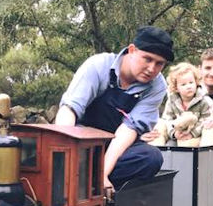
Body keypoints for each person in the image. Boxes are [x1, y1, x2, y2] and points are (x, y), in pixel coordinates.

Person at [56, 26, 171, 193]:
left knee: (151, 158)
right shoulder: (98, 65)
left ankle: (97, 188)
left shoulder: (157, 86)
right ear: (132, 50)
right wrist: (64, 154)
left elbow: (128, 130)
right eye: (147, 59)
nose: (152, 69)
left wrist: (103, 174)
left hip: (116, 147)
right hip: (82, 143)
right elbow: (70, 109)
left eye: (159, 64)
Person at [148, 63, 213, 147]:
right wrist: (174, 133)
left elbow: (206, 121)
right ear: (176, 88)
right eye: (183, 84)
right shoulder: (172, 101)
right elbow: (167, 119)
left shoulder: (205, 101)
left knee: (188, 145)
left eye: (191, 82)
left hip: (197, 136)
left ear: (196, 82)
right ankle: (157, 150)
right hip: (177, 135)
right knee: (160, 126)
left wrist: (192, 133)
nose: (188, 86)